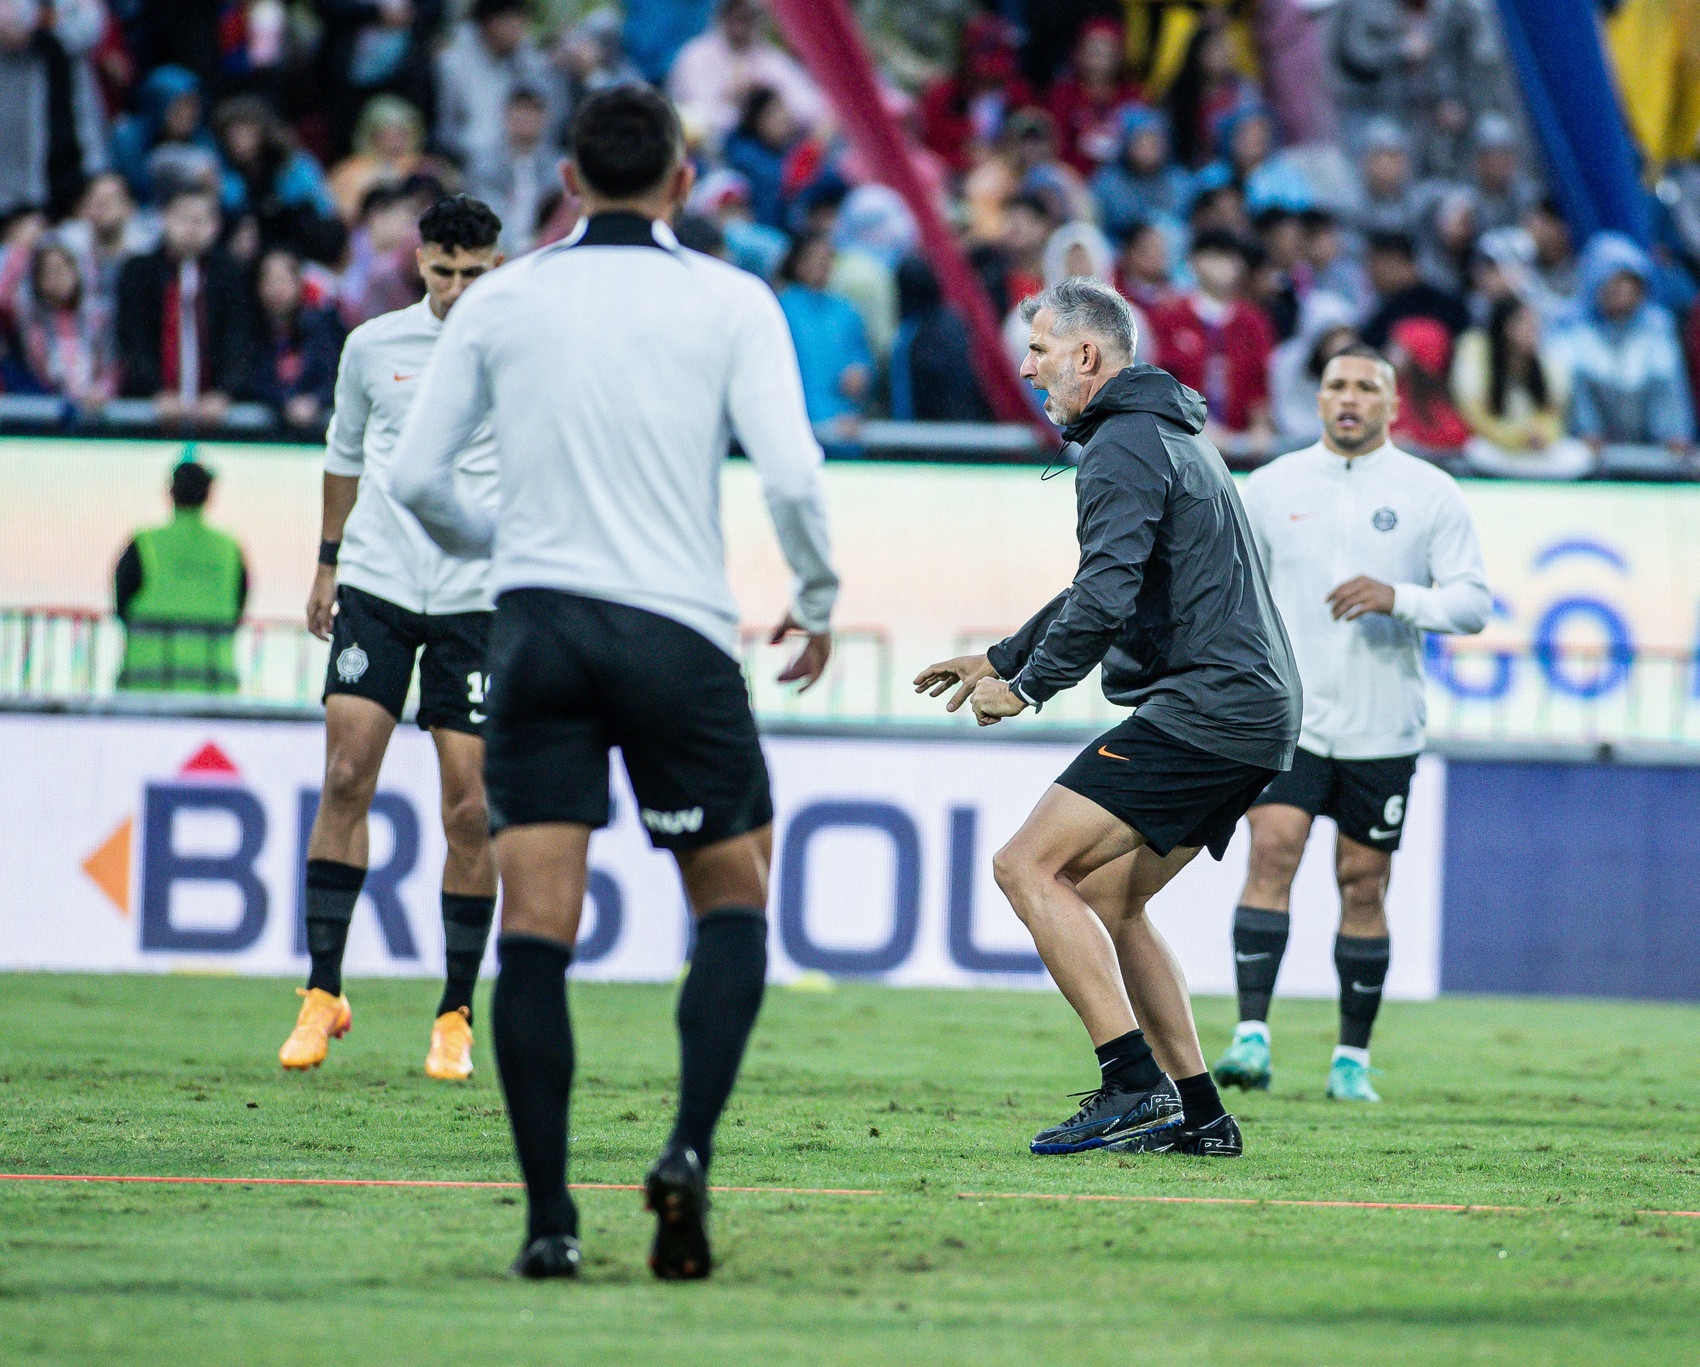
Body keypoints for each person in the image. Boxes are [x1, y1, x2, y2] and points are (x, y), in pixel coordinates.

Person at [389, 85, 839, 1281]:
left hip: (534, 629)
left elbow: (418, 477)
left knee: (536, 926)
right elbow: (792, 476)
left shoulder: (505, 297)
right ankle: (685, 1150)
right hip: (674, 630)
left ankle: (549, 1222)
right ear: (683, 182)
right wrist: (817, 595)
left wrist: (511, 548)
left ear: (568, 180)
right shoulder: (730, 300)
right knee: (732, 900)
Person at [915, 277, 1301, 1160]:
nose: (1027, 370)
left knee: (1026, 866)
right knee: (1109, 899)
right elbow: (1103, 583)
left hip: (1209, 705)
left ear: (1087, 354)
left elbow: (1105, 594)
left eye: (1040, 350)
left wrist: (1029, 687)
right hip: (1252, 708)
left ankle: (1131, 1082)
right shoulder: (1165, 430)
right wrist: (1003, 656)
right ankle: (1202, 1116)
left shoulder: (1123, 442)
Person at [1215, 343, 1490, 1101]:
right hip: (1290, 718)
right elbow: (1233, 591)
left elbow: (1473, 602)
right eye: (1337, 384)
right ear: (1319, 398)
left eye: (1367, 387)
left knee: (1362, 882)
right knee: (1273, 849)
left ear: (1393, 405)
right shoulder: (1272, 486)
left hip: (1382, 723)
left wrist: (1400, 597)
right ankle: (1250, 1037)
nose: (1349, 397)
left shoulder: (1430, 492)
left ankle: (1351, 1060)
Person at [277, 196, 505, 1085]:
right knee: (345, 774)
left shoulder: (523, 351)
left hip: (477, 597)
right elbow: (343, 455)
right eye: (444, 271)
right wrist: (326, 563)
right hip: (378, 581)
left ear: (496, 265)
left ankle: (454, 1012)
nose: (456, 288)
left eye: (473, 273)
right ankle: (321, 990)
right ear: (421, 263)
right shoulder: (373, 345)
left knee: (469, 807)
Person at [115, 182, 258, 425]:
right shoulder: (138, 272)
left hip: (217, 412)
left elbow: (240, 339)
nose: (192, 227)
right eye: (183, 218)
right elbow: (133, 338)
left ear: (216, 225)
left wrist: (224, 392)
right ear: (164, 219)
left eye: (201, 220)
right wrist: (155, 392)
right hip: (150, 409)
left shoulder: (231, 274)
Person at [1556, 232, 1695, 469]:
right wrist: (1586, 431)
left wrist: (1674, 435)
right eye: (1613, 281)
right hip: (1588, 453)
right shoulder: (1571, 328)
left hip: (1652, 453)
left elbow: (1668, 389)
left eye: (1628, 281)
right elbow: (1572, 390)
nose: (1621, 289)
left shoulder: (1657, 327)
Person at [114, 459, 248, 693]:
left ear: (171, 492)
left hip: (147, 688)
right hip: (214, 688)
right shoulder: (229, 548)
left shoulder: (144, 543)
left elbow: (121, 606)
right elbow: (238, 609)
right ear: (208, 495)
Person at [1147, 229, 1277, 464]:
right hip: (1179, 441)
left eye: (1230, 258)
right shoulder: (1170, 317)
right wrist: (1196, 427)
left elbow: (1259, 384)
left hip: (1241, 444)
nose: (1223, 266)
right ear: (1194, 261)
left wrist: (1260, 429)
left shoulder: (1254, 322)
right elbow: (1160, 385)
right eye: (1214, 256)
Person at [1453, 297, 1593, 479]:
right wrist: (1516, 436)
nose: (1532, 329)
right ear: (1504, 325)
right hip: (1498, 447)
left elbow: (1554, 416)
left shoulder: (1547, 360)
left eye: (1535, 324)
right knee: (1477, 450)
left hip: (1535, 450)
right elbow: (1475, 415)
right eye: (1524, 323)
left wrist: (1542, 435)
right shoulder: (1478, 352)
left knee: (1579, 455)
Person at [666, 0, 824, 144]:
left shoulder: (771, 60)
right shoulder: (696, 56)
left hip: (766, 150)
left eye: (747, 18)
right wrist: (735, 100)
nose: (740, 27)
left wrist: (769, 98)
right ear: (723, 16)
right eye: (735, 17)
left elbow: (812, 108)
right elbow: (696, 117)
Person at [0, 222, 116, 408]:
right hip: (45, 411)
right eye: (49, 271)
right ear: (37, 279)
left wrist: (102, 390)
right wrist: (21, 252)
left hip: (96, 411)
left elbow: (113, 365)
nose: (57, 277)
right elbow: (3, 301)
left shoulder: (98, 317)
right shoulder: (28, 322)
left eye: (63, 267)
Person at [435, 0, 561, 167]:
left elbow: (547, 119)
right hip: (469, 160)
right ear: (489, 23)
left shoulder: (530, 62)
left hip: (525, 160)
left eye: (520, 19)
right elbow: (446, 128)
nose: (517, 28)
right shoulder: (453, 63)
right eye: (510, 19)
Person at [776, 231, 873, 432]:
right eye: (815, 258)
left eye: (827, 258)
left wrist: (861, 372)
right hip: (797, 424)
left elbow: (861, 357)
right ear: (798, 263)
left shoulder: (847, 311)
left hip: (844, 426)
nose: (823, 265)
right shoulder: (781, 309)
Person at [253, 247, 344, 435]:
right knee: (250, 417)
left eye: (283, 280)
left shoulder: (321, 324)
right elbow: (253, 380)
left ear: (299, 283)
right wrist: (284, 403)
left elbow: (333, 376)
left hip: (315, 409)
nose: (276, 289)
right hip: (272, 409)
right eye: (269, 280)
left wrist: (314, 401)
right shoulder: (251, 328)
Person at [466, 86, 562, 256]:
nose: (526, 119)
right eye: (520, 112)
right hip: (498, 251)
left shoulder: (559, 168)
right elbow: (486, 214)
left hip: (548, 252)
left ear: (545, 117)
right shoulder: (484, 166)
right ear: (506, 116)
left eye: (532, 112)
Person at [1361, 230, 1468, 349]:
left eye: (1377, 265)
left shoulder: (1446, 307)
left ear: (1400, 263)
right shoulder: (1385, 310)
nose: (1371, 273)